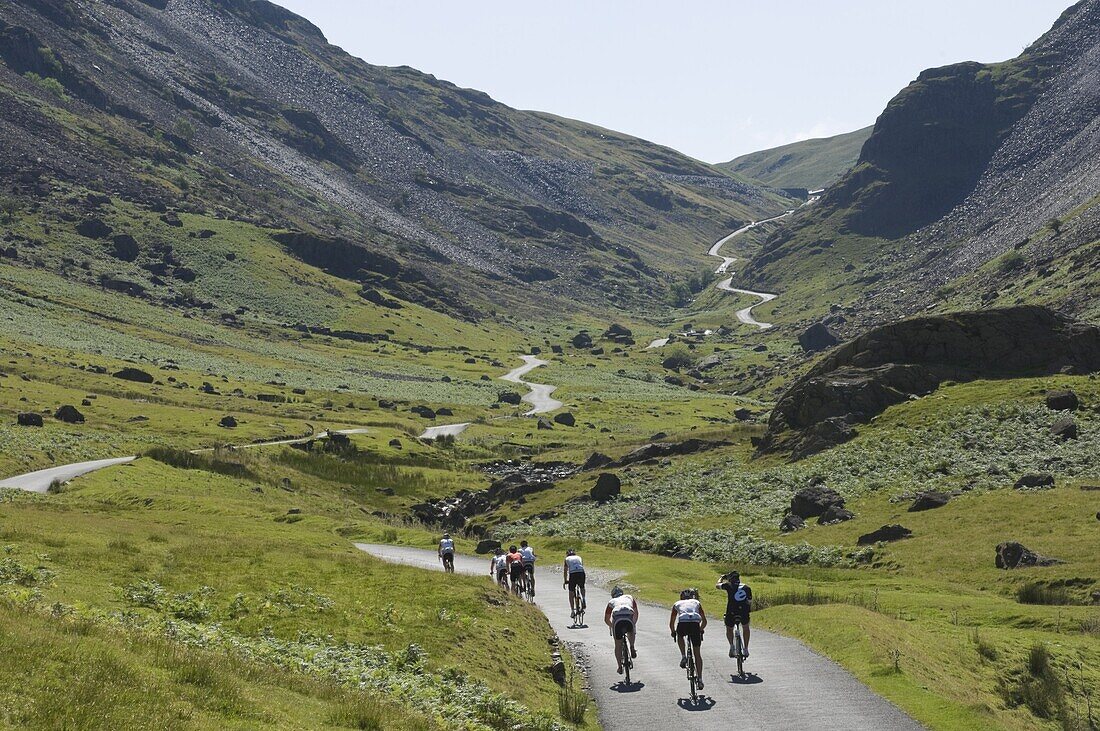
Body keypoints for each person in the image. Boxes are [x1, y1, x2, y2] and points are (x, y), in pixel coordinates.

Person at [669, 588, 707, 689]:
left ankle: (683, 656)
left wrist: (673, 632)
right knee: (697, 654)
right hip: (695, 624)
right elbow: (704, 621)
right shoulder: (696, 602)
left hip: (683, 623)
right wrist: (700, 629)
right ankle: (700, 679)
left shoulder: (677, 603)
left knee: (680, 635)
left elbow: (672, 622)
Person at [716, 570, 752, 659]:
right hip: (743, 611)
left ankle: (732, 646)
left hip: (731, 611)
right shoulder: (747, 587)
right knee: (746, 627)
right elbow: (750, 601)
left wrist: (721, 578)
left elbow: (717, 586)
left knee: (729, 628)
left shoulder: (728, 585)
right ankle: (746, 649)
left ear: (730, 579)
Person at [604, 586, 639, 674]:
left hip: (618, 620)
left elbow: (606, 619)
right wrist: (633, 624)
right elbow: (636, 613)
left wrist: (612, 626)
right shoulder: (629, 597)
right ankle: (632, 646)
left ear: (613, 595)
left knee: (618, 645)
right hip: (628, 616)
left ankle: (620, 667)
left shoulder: (611, 602)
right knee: (631, 630)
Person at [562, 549, 586, 618]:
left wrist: (565, 580)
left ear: (567, 554)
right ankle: (583, 599)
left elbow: (565, 571)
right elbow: (581, 565)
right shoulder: (579, 557)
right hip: (581, 572)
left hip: (573, 574)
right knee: (582, 587)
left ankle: (572, 611)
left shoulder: (567, 559)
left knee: (571, 592)